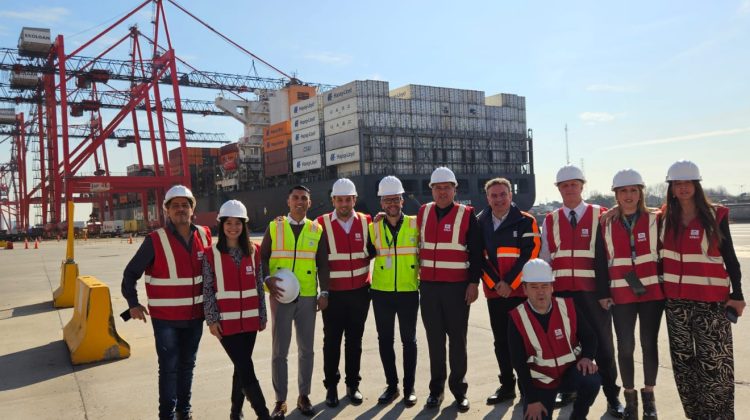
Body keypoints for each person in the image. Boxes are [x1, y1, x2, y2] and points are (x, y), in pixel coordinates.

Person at [660, 160, 744, 419]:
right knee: (684, 365)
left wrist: (738, 294)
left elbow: (730, 257)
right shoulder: (663, 218)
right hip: (677, 304)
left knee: (714, 365)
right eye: (677, 184)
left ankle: (719, 415)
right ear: (671, 188)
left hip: (711, 303)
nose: (682, 188)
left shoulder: (715, 215)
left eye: (687, 183)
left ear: (696, 186)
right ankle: (695, 414)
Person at [539, 165, 624, 417]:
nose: (569, 189)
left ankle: (612, 396)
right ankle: (569, 389)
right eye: (564, 185)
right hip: (563, 296)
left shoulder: (601, 214)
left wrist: (607, 291)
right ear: (558, 189)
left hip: (594, 295)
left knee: (605, 349)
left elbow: (610, 255)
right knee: (566, 347)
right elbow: (545, 258)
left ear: (582, 186)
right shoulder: (551, 219)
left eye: (573, 184)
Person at [121, 185, 211, 420]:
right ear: (167, 211)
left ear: (192, 209)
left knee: (187, 365)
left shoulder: (205, 235)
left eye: (185, 205)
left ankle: (184, 410)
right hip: (166, 320)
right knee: (169, 369)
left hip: (194, 317)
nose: (181, 209)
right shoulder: (154, 240)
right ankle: (166, 415)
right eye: (175, 206)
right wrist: (133, 303)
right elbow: (130, 274)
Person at [595, 169, 665, 419]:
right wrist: (602, 292)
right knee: (625, 346)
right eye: (623, 191)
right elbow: (600, 260)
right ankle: (630, 398)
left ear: (641, 193)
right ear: (615, 194)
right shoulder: (605, 222)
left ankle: (649, 398)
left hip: (652, 294)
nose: (628, 195)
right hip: (621, 294)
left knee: (649, 344)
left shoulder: (657, 218)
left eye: (633, 190)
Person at [418, 166, 483, 413]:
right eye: (437, 187)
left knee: (458, 341)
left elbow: (476, 253)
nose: (442, 192)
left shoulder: (467, 214)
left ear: (455, 189)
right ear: (431, 190)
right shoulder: (422, 213)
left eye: (447, 187)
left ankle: (459, 391)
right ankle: (436, 391)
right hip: (430, 289)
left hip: (457, 289)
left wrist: (474, 283)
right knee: (435, 342)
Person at [261, 185, 326, 419]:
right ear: (288, 201)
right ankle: (280, 401)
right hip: (281, 296)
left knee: (306, 349)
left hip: (308, 296)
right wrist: (266, 280)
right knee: (280, 351)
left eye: (304, 198)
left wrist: (324, 292)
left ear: (309, 203)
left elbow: (323, 263)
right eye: (295, 198)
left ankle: (304, 396)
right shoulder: (274, 227)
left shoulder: (316, 229)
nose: (299, 201)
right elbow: (263, 258)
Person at [202, 200, 271, 420]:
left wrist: (262, 314)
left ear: (244, 225)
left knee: (240, 368)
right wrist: (212, 320)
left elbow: (259, 285)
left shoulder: (254, 250)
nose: (233, 227)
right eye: (228, 223)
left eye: (238, 223)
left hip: (250, 321)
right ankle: (263, 414)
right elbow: (207, 289)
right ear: (221, 225)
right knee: (246, 367)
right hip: (226, 323)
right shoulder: (210, 254)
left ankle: (234, 412)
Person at [509, 259, 602, 420]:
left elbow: (589, 336)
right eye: (534, 287)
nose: (540, 292)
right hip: (541, 383)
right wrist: (532, 399)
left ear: (552, 287)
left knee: (592, 379)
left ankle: (578, 417)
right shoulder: (517, 317)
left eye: (545, 286)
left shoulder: (567, 306)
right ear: (524, 289)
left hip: (569, 374)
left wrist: (587, 357)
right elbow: (518, 362)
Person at [477, 177, 541, 405]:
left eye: (503, 194)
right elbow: (477, 258)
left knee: (525, 341)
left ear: (510, 195)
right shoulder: (479, 222)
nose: (498, 199)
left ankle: (527, 386)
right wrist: (496, 284)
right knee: (501, 342)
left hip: (521, 294)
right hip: (496, 294)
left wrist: (510, 283)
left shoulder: (526, 221)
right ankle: (507, 386)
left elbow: (531, 254)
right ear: (487, 198)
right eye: (494, 195)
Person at [318, 178, 372, 407]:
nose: (344, 204)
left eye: (348, 200)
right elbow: (317, 261)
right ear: (333, 200)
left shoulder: (368, 221)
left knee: (355, 341)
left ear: (354, 200)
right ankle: (331, 386)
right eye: (339, 200)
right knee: (331, 342)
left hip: (360, 292)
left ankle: (353, 385)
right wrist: (323, 292)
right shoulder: (320, 224)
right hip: (334, 295)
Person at [367, 176, 420, 407]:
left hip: (408, 291)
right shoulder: (372, 227)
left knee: (409, 341)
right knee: (385, 340)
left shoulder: (416, 224)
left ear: (402, 201)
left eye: (395, 199)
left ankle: (410, 389)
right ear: (381, 203)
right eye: (387, 200)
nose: (391, 204)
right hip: (381, 293)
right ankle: (392, 386)